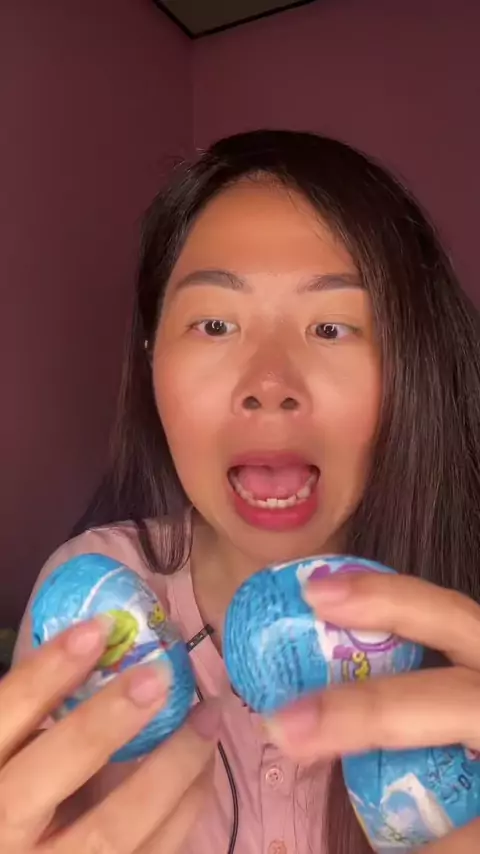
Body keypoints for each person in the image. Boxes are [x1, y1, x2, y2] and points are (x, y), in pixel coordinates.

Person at [4, 129, 480, 854]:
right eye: (215, 324)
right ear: (152, 358)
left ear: (412, 368)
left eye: (332, 327)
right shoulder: (93, 596)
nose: (269, 383)